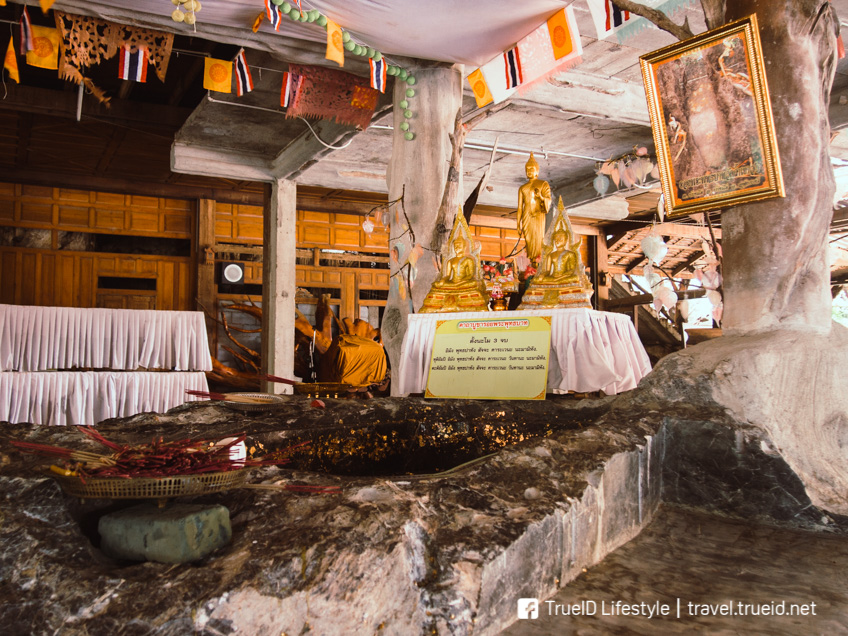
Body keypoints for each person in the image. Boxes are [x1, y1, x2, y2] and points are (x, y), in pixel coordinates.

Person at [516, 152, 552, 264]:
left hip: (538, 214)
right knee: (529, 239)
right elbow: (520, 208)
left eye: (532, 169)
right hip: (526, 215)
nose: (530, 171)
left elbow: (548, 201)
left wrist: (540, 197)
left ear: (537, 170)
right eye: (528, 169)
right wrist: (518, 223)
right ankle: (532, 261)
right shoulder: (522, 188)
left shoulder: (542, 184)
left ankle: (537, 261)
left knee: (538, 238)